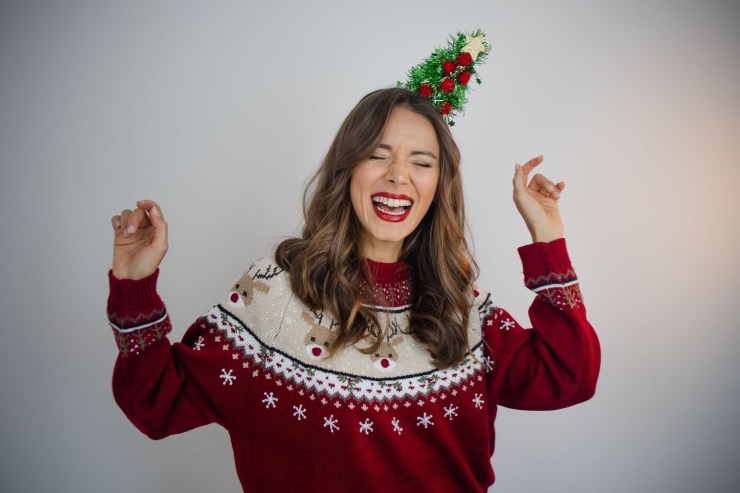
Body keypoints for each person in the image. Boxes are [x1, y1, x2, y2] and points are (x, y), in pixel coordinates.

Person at [108, 88, 600, 492]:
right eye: (376, 155)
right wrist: (134, 284)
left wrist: (548, 237)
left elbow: (568, 376)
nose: (398, 175)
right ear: (347, 171)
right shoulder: (275, 295)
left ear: (439, 185)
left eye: (422, 162)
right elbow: (157, 402)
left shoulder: (460, 305)